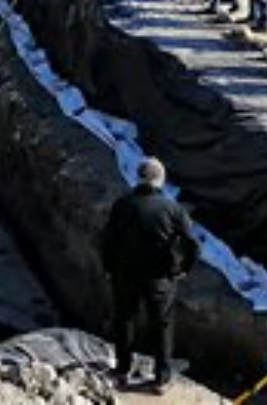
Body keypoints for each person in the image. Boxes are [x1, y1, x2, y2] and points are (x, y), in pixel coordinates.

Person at [101, 158, 198, 394]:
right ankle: (160, 379)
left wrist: (108, 267)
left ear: (138, 176)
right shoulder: (172, 208)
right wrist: (185, 268)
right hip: (160, 278)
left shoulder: (123, 204)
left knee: (124, 320)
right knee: (162, 325)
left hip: (126, 274)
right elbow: (192, 244)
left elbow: (107, 240)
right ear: (160, 179)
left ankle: (122, 371)